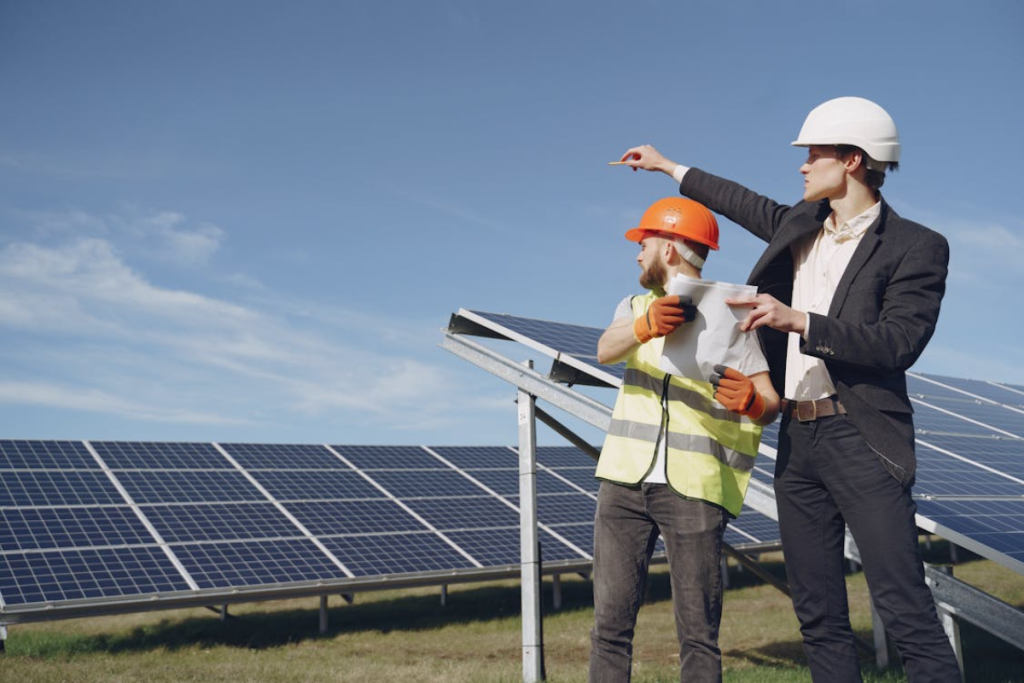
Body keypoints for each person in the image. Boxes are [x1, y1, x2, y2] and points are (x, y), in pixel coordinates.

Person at [616, 96, 961, 682]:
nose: (802, 166)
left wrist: (799, 321)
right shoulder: (798, 226)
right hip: (798, 445)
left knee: (905, 609)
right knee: (818, 615)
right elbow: (738, 200)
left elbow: (898, 342)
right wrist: (668, 165)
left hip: (862, 438)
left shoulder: (917, 246)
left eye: (814, 155)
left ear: (853, 160)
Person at [590, 196, 780, 683]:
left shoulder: (733, 316)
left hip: (695, 489)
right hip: (623, 485)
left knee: (698, 634)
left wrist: (754, 403)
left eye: (644, 243)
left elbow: (769, 399)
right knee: (609, 626)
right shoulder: (632, 306)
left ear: (670, 249)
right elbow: (605, 350)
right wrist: (644, 326)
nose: (637, 254)